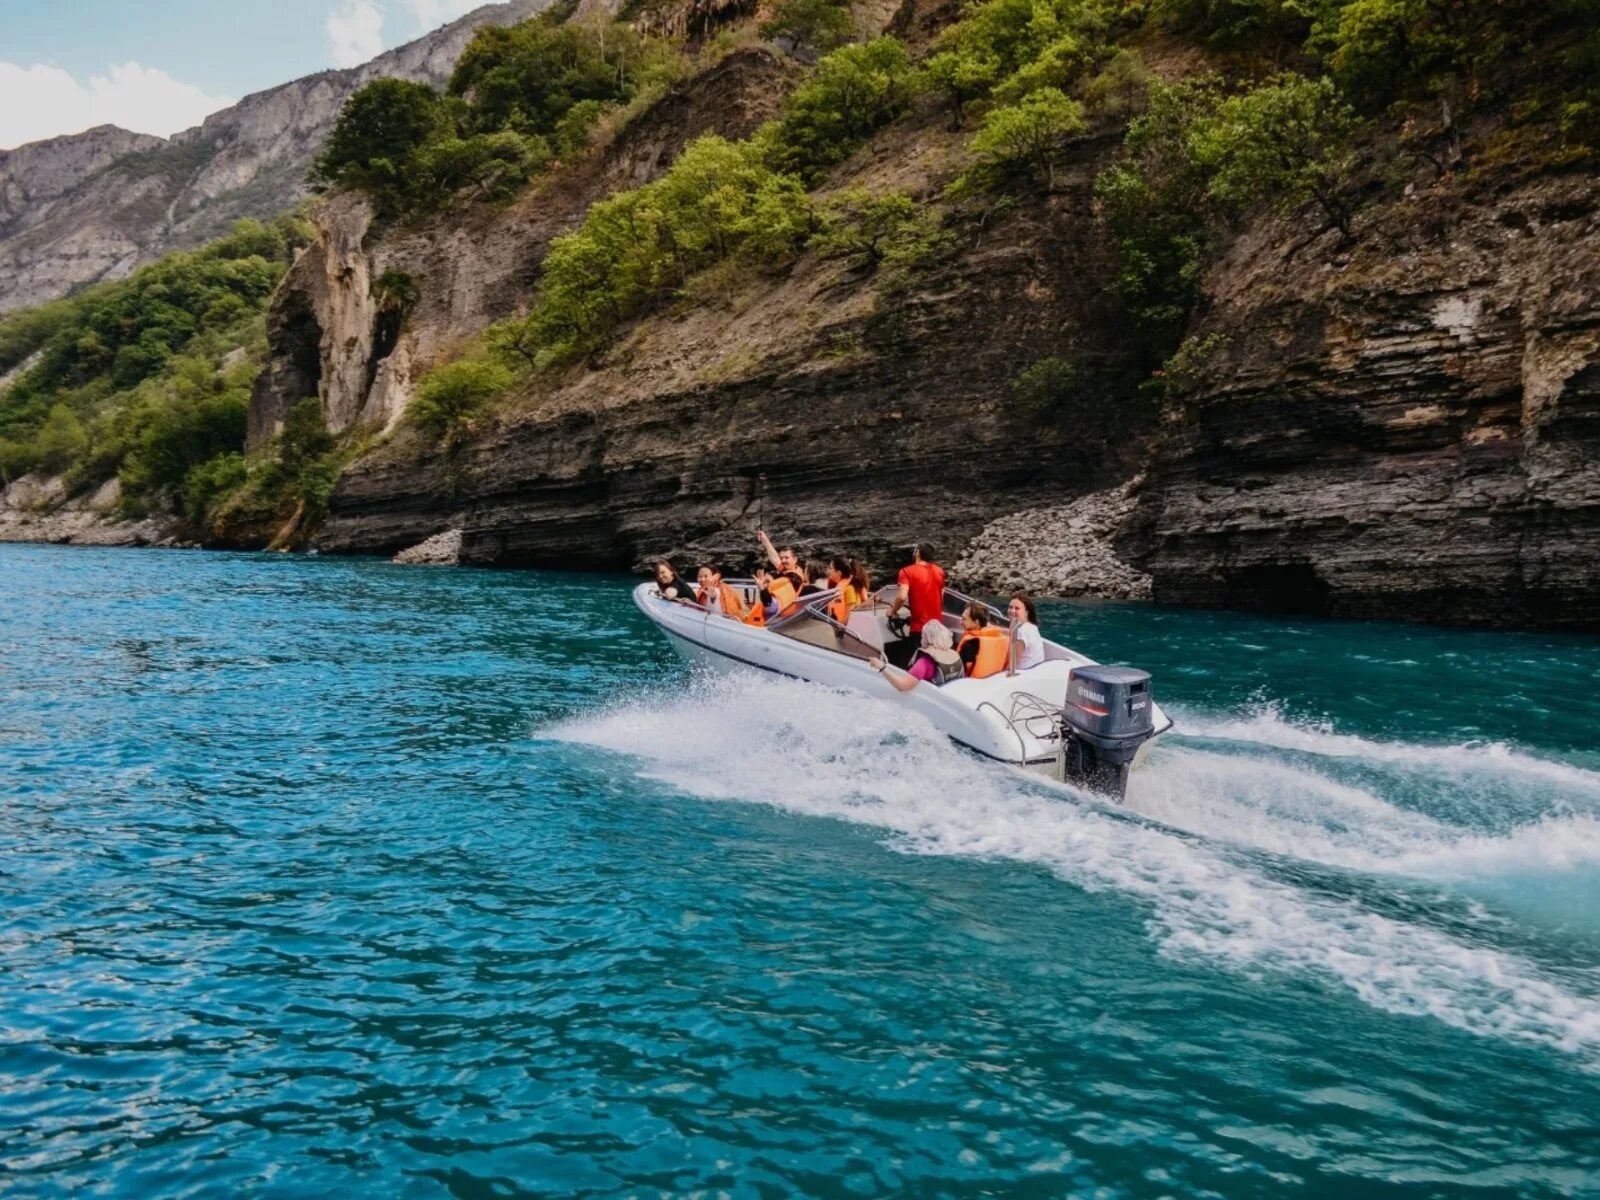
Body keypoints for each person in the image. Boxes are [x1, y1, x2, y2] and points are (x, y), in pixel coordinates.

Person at [869, 621, 964, 692]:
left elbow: (902, 686)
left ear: (928, 639)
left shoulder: (924, 662)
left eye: (922, 637)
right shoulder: (955, 656)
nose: (921, 639)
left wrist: (882, 667)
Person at [887, 543, 946, 636]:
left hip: (919, 628)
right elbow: (941, 597)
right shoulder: (940, 571)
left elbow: (902, 597)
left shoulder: (906, 571)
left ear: (917, 553)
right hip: (937, 626)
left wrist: (893, 610)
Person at [956, 603, 1010, 679]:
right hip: (993, 680)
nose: (960, 622)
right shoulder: (1002, 639)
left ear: (976, 622)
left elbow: (958, 673)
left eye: (964, 619)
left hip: (971, 684)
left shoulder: (968, 646)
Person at [1008, 592, 1045, 670]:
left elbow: (1013, 664)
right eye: (1010, 607)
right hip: (1035, 671)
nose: (1012, 610)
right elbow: (1010, 632)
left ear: (1026, 613)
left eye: (1017, 608)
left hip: (1022, 674)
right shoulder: (1031, 627)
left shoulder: (1022, 632)